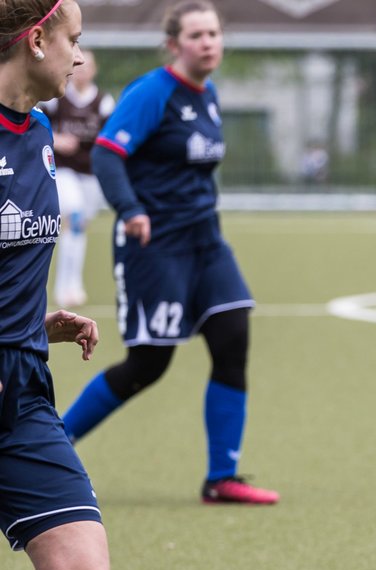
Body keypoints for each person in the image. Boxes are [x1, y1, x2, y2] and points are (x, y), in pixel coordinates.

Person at [60, 1, 278, 505]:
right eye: (196, 34)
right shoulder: (152, 92)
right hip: (154, 246)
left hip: (206, 243)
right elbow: (109, 154)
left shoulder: (210, 96)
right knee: (148, 365)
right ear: (173, 44)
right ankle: (52, 447)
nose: (208, 42)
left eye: (214, 34)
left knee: (232, 338)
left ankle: (221, 478)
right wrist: (131, 209)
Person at [0, 0, 112, 570]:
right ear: (35, 39)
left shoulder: (37, 131)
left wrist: (34, 323)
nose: (78, 56)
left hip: (23, 389)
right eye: (73, 39)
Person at [43, 46, 111, 308]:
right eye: (78, 66)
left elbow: (110, 136)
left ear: (94, 70)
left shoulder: (103, 101)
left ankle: (74, 284)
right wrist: (57, 140)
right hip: (63, 170)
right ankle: (63, 287)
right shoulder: (56, 99)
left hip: (90, 174)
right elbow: (36, 125)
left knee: (78, 228)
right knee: (73, 216)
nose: (82, 71)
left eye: (87, 67)